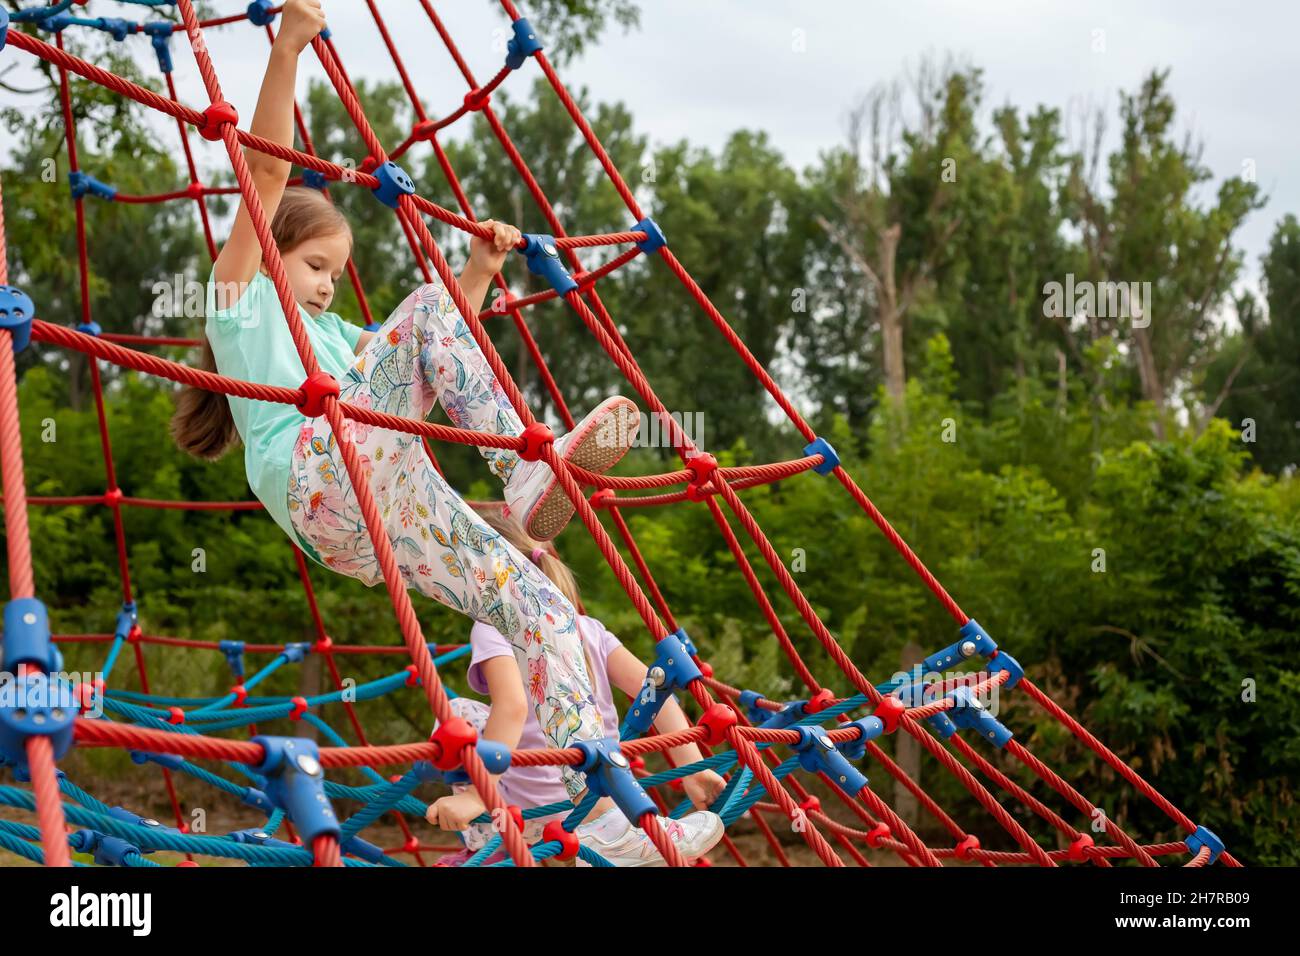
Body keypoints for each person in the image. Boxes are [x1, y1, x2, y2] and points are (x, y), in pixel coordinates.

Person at [170, 0, 639, 799]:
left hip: (382, 514)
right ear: (273, 250)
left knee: (537, 601)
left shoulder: (336, 338)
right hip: (320, 478)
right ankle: (524, 470)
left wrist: (479, 272)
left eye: (335, 271)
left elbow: (433, 353)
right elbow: (267, 175)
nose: (327, 285)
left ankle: (596, 795)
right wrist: (287, 48)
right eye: (316, 265)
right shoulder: (240, 301)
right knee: (420, 309)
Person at [427, 510, 728, 866]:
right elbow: (655, 689)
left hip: (532, 810)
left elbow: (512, 707)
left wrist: (477, 795)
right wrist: (693, 768)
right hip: (607, 796)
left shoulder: (493, 627)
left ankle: (486, 847)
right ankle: (616, 836)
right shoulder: (589, 628)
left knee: (459, 712)